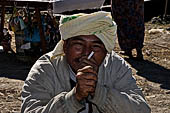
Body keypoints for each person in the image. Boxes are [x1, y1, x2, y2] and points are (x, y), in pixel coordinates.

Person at [21, 11, 151, 113]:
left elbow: (141, 109)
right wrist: (73, 97)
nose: (86, 53)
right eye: (78, 45)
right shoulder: (46, 68)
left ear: (106, 51)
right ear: (65, 47)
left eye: (96, 46)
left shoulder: (114, 65)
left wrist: (99, 93)